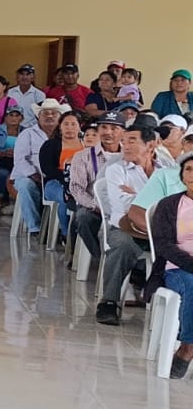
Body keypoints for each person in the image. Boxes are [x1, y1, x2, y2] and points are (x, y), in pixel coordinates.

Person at [97, 118, 163, 325]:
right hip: (126, 227)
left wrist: (137, 196)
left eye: (132, 141)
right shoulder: (116, 169)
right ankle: (109, 302)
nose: (125, 146)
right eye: (124, 141)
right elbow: (122, 204)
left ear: (150, 145)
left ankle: (167, 303)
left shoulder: (166, 170)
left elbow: (175, 203)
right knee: (122, 246)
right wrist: (155, 201)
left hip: (160, 230)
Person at [146, 155, 193, 378]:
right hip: (177, 267)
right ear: (181, 175)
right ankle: (188, 347)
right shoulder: (169, 205)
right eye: (189, 169)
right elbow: (162, 244)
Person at [69, 115, 121, 263]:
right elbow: (76, 188)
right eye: (104, 127)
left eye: (114, 128)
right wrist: (95, 205)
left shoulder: (128, 155)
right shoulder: (82, 156)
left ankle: (131, 262)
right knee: (83, 217)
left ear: (123, 132)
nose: (108, 132)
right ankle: (103, 259)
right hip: (94, 206)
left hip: (122, 206)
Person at [11, 98, 63, 235]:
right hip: (29, 176)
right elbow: (20, 159)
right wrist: (34, 175)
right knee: (25, 185)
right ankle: (35, 227)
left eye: (54, 113)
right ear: (38, 117)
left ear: (60, 117)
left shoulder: (65, 136)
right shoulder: (27, 134)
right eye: (45, 113)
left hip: (54, 177)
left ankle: (60, 228)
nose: (50, 116)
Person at [37, 109, 85, 241]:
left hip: (81, 183)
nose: (69, 128)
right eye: (66, 124)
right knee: (65, 197)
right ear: (60, 127)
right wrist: (67, 177)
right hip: (55, 183)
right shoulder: (50, 145)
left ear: (80, 126)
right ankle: (66, 234)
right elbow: (47, 169)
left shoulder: (86, 144)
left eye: (73, 124)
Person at [0, 107, 25, 217]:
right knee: (3, 173)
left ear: (22, 118)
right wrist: (0, 153)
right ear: (5, 117)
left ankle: (15, 205)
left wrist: (16, 153)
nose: (13, 118)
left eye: (17, 116)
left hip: (18, 163)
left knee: (22, 176)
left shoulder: (25, 132)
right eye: (10, 115)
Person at [9, 63, 44, 128]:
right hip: (11, 128)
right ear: (17, 77)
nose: (24, 77)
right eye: (22, 74)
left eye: (28, 74)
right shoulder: (9, 92)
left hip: (32, 128)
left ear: (33, 77)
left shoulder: (39, 94)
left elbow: (40, 115)